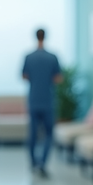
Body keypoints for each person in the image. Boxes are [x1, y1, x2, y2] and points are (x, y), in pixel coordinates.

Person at [22, 28, 63, 177]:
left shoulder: (29, 57)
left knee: (33, 134)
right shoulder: (52, 57)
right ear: (45, 37)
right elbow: (58, 78)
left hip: (33, 100)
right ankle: (42, 164)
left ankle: (33, 163)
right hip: (47, 101)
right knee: (48, 134)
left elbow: (24, 76)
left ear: (35, 37)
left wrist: (35, 78)